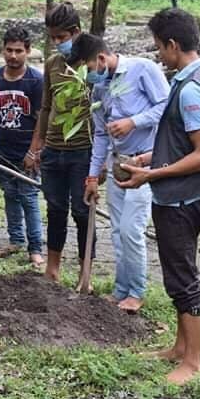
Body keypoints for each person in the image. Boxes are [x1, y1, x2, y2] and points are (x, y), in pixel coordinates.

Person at [120, 8, 200, 385]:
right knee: (175, 275)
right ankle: (180, 348)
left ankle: (193, 362)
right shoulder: (192, 79)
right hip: (175, 197)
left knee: (183, 278)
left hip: (180, 202)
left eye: (158, 48)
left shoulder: (190, 92)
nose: (158, 56)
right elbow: (182, 143)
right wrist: (148, 158)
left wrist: (151, 174)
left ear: (172, 45)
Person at [69, 33, 169, 313]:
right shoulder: (100, 88)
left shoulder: (143, 69)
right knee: (116, 230)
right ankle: (121, 289)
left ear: (101, 59)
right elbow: (101, 134)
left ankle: (136, 292)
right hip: (116, 165)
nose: (88, 76)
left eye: (88, 69)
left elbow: (166, 107)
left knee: (131, 230)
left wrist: (133, 122)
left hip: (143, 162)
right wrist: (92, 176)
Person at [31, 2, 96, 287]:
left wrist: (101, 161)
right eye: (53, 38)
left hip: (84, 151)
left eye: (62, 38)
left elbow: (105, 109)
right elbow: (46, 108)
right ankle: (52, 269)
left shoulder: (93, 65)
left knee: (83, 213)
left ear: (76, 33)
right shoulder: (52, 65)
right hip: (54, 151)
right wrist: (37, 146)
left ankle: (85, 275)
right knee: (55, 209)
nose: (58, 43)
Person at [0, 26, 44, 267]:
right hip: (2, 148)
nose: (13, 55)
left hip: (26, 150)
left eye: (19, 51)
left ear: (28, 51)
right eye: (9, 50)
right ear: (2, 50)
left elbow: (41, 120)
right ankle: (16, 239)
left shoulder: (36, 81)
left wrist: (33, 151)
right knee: (9, 195)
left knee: (29, 197)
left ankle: (35, 247)